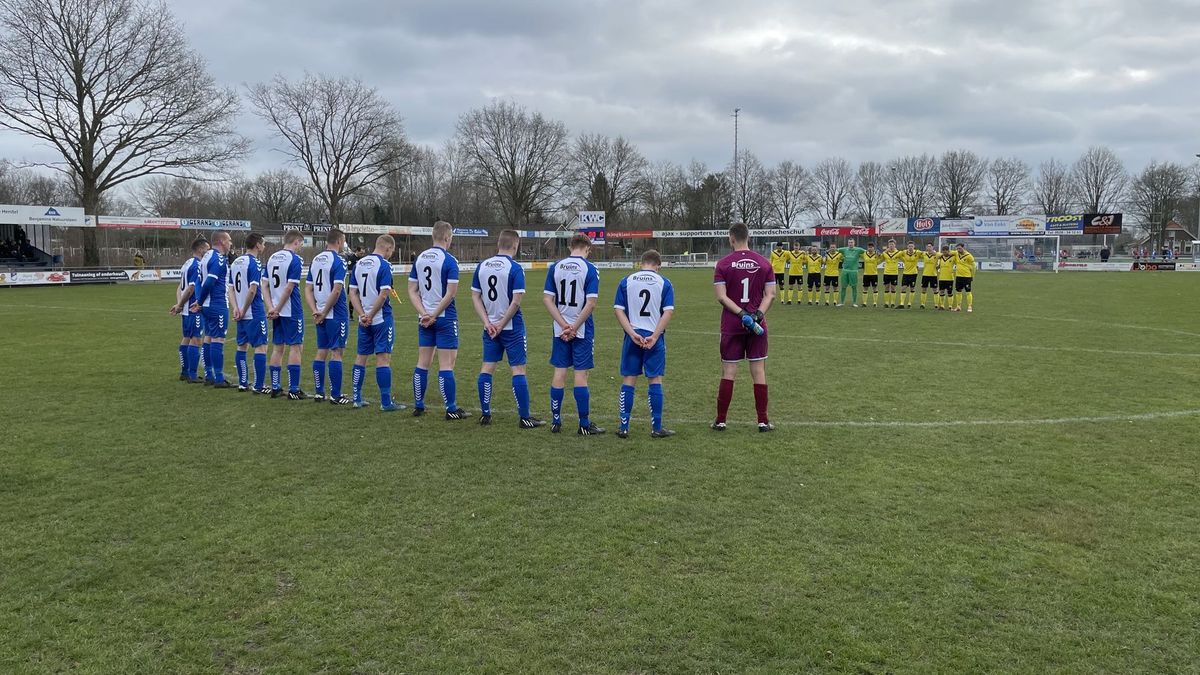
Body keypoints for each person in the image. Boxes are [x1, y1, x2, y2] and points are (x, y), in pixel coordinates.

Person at [471, 229, 543, 428]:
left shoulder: (482, 266)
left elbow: (475, 297)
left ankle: (485, 414)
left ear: (498, 244)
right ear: (515, 245)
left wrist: (487, 323)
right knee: (518, 370)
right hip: (510, 327)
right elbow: (516, 301)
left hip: (490, 328)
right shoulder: (515, 268)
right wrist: (501, 324)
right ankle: (525, 417)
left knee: (487, 368)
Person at [712, 223, 776, 432]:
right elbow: (771, 295)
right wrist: (757, 315)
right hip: (757, 325)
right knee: (758, 371)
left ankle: (721, 420)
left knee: (729, 371)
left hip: (732, 324)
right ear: (749, 237)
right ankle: (762, 421)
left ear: (731, 239)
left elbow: (721, 297)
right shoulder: (764, 263)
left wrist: (741, 314)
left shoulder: (722, 264)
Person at [543, 233, 603, 435]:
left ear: (570, 247)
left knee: (560, 372)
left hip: (560, 329)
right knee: (581, 374)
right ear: (587, 248)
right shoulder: (590, 268)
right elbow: (591, 302)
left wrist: (563, 325)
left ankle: (556, 421)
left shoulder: (555, 267)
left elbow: (547, 300)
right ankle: (584, 424)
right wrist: (575, 326)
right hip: (582, 328)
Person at [408, 221, 468, 419]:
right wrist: (434, 314)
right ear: (447, 238)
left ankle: (418, 405)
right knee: (446, 365)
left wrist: (424, 313)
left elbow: (412, 290)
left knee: (422, 363)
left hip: (424, 318)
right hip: (444, 318)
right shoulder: (449, 261)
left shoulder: (420, 259)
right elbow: (450, 294)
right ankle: (451, 409)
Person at [613, 249, 676, 439]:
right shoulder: (664, 282)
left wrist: (631, 333)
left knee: (629, 379)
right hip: (653, 338)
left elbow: (618, 310)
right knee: (655, 379)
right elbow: (668, 312)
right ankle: (656, 427)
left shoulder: (626, 281)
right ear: (658, 265)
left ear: (641, 263)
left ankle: (624, 426)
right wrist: (655, 336)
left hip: (633, 337)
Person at [349, 235, 404, 411]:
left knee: (361, 357)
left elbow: (352, 293)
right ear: (387, 248)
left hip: (363, 320)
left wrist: (362, 314)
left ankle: (357, 398)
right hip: (381, 318)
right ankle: (386, 402)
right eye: (392, 251)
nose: (391, 254)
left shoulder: (359, 264)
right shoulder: (384, 265)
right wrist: (371, 314)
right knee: (383, 358)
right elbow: (384, 294)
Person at [306, 228, 352, 405]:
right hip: (336, 314)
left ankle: (319, 392)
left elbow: (308, 288)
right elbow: (338, 289)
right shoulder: (338, 260)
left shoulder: (316, 260)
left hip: (320, 314)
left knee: (321, 351)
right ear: (339, 241)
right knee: (337, 352)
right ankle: (336, 394)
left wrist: (315, 310)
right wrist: (324, 311)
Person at [264, 231, 307, 399]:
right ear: (296, 242)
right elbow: (289, 288)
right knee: (296, 347)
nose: (300, 248)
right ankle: (294, 389)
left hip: (276, 309)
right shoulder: (294, 260)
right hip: (291, 309)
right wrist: (278, 308)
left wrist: (271, 307)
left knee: (278, 347)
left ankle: (275, 387)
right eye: (301, 244)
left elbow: (264, 285)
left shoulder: (271, 258)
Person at [189, 231, 232, 387]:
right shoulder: (218, 259)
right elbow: (208, 283)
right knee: (218, 339)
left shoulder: (205, 257)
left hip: (207, 305)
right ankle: (219, 378)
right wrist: (199, 301)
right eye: (229, 240)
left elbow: (199, 282)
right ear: (221, 241)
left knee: (208, 337)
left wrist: (200, 302)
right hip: (217, 304)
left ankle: (209, 375)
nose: (230, 243)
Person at [227, 234, 269, 393]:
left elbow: (230, 288)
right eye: (263, 243)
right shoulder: (255, 263)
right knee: (261, 347)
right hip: (254, 312)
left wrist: (235, 308)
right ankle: (258, 385)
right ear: (257, 245)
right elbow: (252, 290)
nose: (264, 246)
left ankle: (243, 383)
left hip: (240, 313)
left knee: (241, 347)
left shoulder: (236, 262)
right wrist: (243, 309)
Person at [169, 238, 209, 383]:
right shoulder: (197, 265)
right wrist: (180, 304)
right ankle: (192, 375)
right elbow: (191, 288)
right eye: (207, 249)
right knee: (196, 339)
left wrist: (179, 304)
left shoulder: (187, 263)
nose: (208, 252)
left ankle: (184, 372)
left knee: (187, 337)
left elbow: (180, 287)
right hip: (193, 308)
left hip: (186, 309)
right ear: (200, 249)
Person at [836, 237, 866, 307]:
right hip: (845, 271)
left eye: (852, 242)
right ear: (848, 243)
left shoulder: (858, 250)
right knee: (843, 287)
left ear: (854, 243)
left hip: (854, 271)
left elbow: (868, 251)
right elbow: (835, 250)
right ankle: (842, 302)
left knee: (854, 287)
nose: (850, 244)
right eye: (849, 242)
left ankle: (854, 303)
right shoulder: (844, 249)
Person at [880, 239, 903, 308]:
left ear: (895, 245)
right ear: (888, 245)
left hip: (894, 273)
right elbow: (880, 258)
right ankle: (886, 303)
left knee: (893, 288)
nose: (891, 246)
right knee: (886, 287)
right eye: (890, 244)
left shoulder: (898, 253)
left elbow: (905, 259)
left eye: (892, 244)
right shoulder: (885, 253)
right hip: (886, 273)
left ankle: (892, 303)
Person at [954, 242, 976, 313]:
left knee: (968, 292)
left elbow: (974, 267)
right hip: (958, 276)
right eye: (957, 248)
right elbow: (948, 253)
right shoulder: (956, 254)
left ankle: (969, 306)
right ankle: (958, 306)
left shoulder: (969, 256)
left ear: (963, 248)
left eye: (959, 248)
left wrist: (972, 276)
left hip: (966, 276)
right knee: (958, 291)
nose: (958, 250)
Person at [899, 241, 922, 308]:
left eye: (912, 246)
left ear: (914, 247)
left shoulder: (917, 252)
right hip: (905, 273)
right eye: (909, 246)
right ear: (907, 247)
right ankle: (902, 304)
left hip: (914, 273)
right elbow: (897, 254)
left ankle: (909, 304)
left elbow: (925, 254)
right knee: (903, 288)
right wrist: (904, 260)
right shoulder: (904, 252)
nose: (910, 247)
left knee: (912, 288)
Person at [861, 242, 882, 307]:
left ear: (873, 248)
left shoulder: (876, 254)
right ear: (867, 248)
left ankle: (875, 303)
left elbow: (882, 258)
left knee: (875, 288)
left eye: (871, 247)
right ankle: (864, 303)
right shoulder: (864, 254)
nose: (870, 248)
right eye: (869, 247)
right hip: (866, 274)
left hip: (874, 274)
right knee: (865, 288)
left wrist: (880, 254)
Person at [936, 245, 956, 310]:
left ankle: (950, 306)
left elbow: (956, 253)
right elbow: (939, 265)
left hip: (950, 278)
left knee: (949, 292)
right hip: (941, 277)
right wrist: (938, 267)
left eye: (946, 251)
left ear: (948, 251)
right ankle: (942, 305)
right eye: (943, 252)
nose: (945, 253)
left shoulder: (953, 257)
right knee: (941, 291)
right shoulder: (941, 258)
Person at [919, 243, 939, 309]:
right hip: (925, 274)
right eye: (928, 246)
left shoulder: (937, 254)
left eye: (930, 246)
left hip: (933, 275)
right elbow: (915, 254)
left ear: (933, 247)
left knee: (935, 290)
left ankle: (936, 304)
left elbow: (945, 256)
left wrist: (939, 266)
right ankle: (922, 304)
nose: (929, 247)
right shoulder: (924, 254)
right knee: (923, 289)